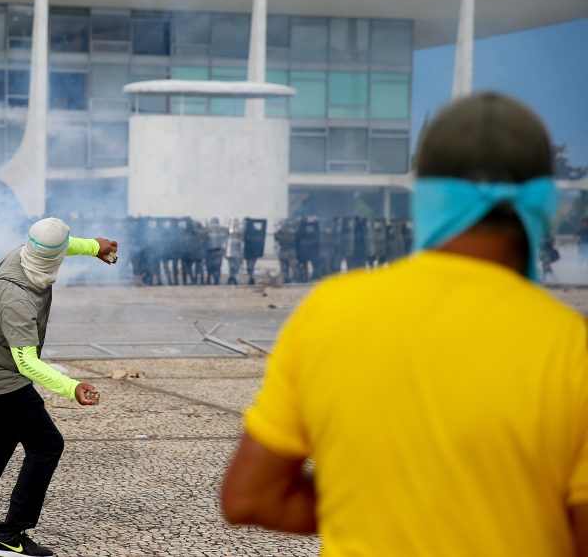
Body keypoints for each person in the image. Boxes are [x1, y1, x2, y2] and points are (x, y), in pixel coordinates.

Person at [220, 92, 588, 556]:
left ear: (429, 198)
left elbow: (250, 497)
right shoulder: (569, 343)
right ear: (543, 201)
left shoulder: (331, 310)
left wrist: (372, 503)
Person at [0, 217, 116, 557]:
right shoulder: (16, 297)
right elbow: (27, 364)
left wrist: (96, 247)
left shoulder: (23, 253)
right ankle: (10, 536)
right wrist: (72, 386)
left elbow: (63, 244)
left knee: (6, 431)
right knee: (47, 444)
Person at [205, 217, 226, 285]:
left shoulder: (208, 229)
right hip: (214, 251)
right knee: (214, 266)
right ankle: (213, 280)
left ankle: (214, 280)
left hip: (212, 251)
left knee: (213, 266)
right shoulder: (221, 230)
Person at [224, 218, 244, 285]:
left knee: (233, 266)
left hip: (233, 252)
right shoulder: (238, 231)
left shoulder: (239, 231)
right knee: (233, 266)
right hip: (233, 252)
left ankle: (231, 277)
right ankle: (232, 278)